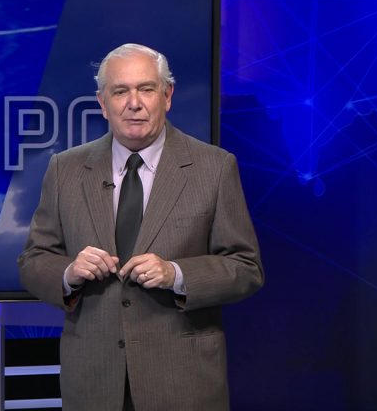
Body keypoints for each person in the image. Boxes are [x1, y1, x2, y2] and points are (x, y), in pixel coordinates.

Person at [17, 43, 264, 411]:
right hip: (94, 384)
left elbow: (246, 268)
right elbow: (33, 260)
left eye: (146, 89)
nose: (134, 103)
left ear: (167, 96)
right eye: (121, 91)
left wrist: (176, 273)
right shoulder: (65, 169)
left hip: (183, 383)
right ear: (102, 103)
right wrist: (69, 272)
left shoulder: (214, 168)